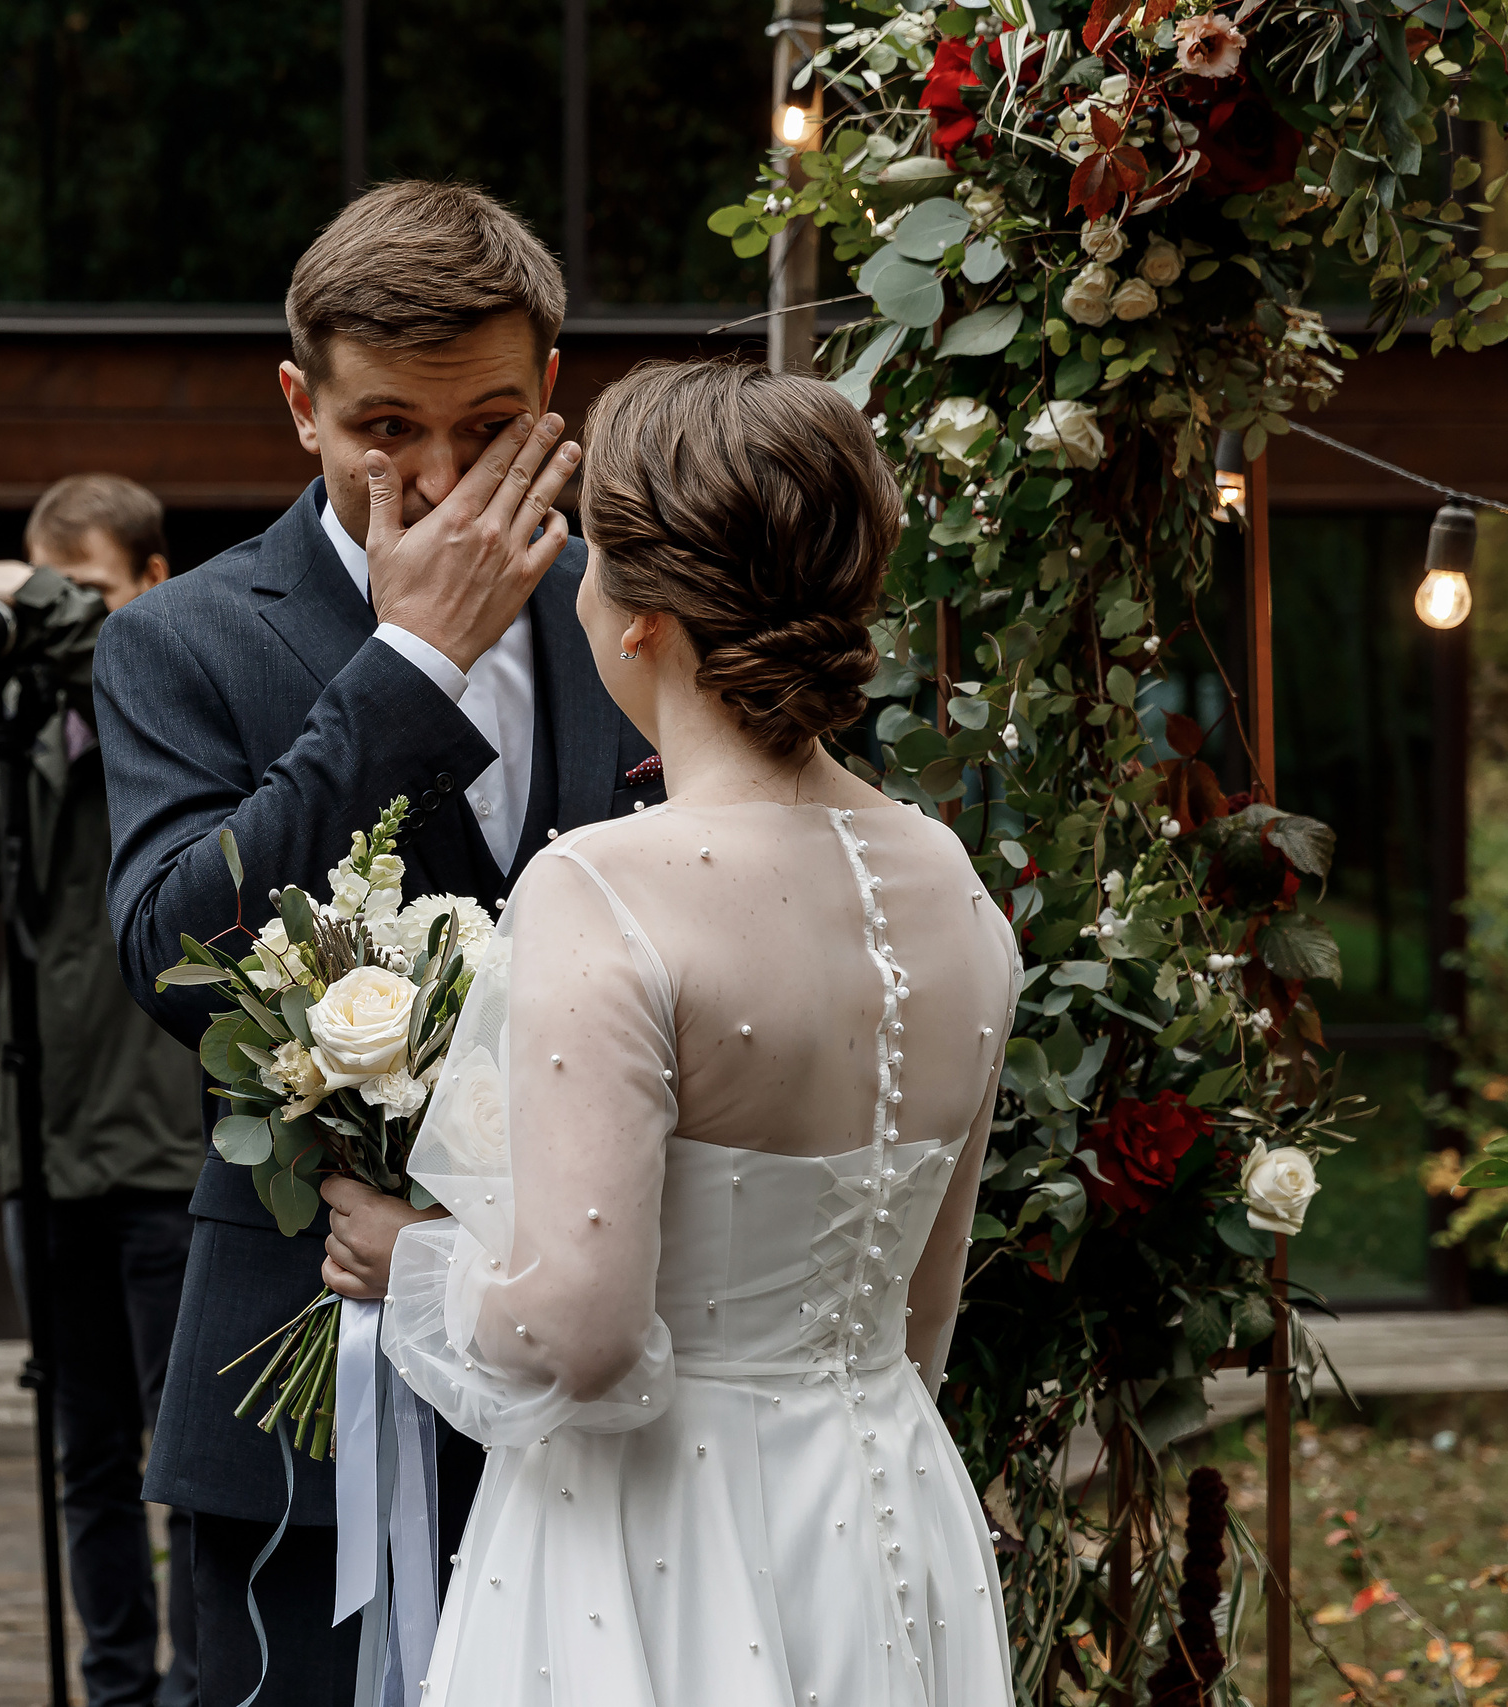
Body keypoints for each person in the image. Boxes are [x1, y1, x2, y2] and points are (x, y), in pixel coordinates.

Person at [373, 359, 1022, 1703]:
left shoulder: (603, 887)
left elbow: (584, 1332)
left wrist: (415, 1264)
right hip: (892, 1511)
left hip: (659, 1533)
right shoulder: (954, 883)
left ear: (641, 621)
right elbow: (922, 1314)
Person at [93, 182, 662, 1705]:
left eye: (490, 426)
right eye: (385, 431)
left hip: (595, 1366)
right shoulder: (179, 639)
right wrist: (411, 662)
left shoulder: (632, 616)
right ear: (301, 406)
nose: (442, 478)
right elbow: (175, 954)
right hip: (303, 1361)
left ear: (551, 389)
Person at [0, 476, 207, 1707]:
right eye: (46, 590)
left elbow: (123, 665)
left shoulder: (179, 705)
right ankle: (116, 1689)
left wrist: (25, 596)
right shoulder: (28, 724)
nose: (51, 615)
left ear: (151, 585)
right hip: (47, 1143)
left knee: (185, 1461)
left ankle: (199, 1688)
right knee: (86, 1456)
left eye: (79, 591)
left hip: (164, 1146)